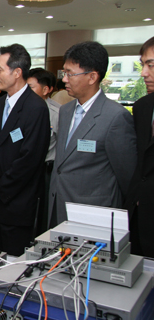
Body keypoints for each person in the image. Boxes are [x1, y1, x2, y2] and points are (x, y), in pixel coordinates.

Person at [48, 41, 137, 228]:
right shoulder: (65, 111)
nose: (64, 79)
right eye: (64, 73)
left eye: (70, 74)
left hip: (93, 214)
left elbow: (126, 177)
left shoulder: (115, 117)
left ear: (92, 77)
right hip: (59, 207)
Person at [0, 44, 50, 256]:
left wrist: (0, 190)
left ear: (17, 72)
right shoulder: (1, 104)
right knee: (0, 256)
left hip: (18, 201)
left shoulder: (36, 108)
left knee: (16, 261)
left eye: (1, 69)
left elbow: (29, 159)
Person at [124, 36, 154, 258]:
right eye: (142, 64)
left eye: (150, 65)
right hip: (138, 216)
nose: (143, 72)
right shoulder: (142, 107)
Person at [27, 68, 61, 236]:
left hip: (46, 171)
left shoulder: (57, 113)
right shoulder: (25, 109)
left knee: (44, 215)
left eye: (31, 87)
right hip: (27, 170)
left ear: (46, 90)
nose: (27, 91)